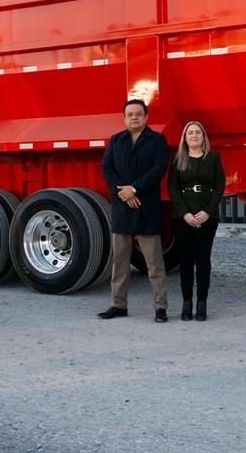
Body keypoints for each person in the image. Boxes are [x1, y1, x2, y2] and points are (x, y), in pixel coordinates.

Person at [98, 98, 170, 322]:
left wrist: (134, 189)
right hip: (122, 207)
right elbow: (106, 168)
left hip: (146, 207)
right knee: (119, 262)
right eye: (130, 114)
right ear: (124, 118)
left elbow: (159, 169)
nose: (134, 117)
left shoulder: (157, 141)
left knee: (154, 263)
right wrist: (123, 193)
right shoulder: (116, 140)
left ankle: (160, 308)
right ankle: (118, 305)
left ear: (146, 117)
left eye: (138, 114)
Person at [167, 121, 225, 321]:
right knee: (185, 261)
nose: (194, 135)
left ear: (203, 136)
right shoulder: (178, 160)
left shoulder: (213, 158)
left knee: (203, 260)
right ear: (184, 137)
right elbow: (173, 189)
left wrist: (207, 212)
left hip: (208, 218)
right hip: (183, 218)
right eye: (190, 132)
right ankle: (186, 302)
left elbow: (219, 187)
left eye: (197, 132)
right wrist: (185, 214)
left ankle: (202, 302)